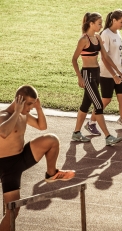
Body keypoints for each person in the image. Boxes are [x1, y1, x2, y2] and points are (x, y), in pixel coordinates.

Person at [0, 85, 75, 231]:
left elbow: (42, 126)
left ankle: (51, 174)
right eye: (28, 104)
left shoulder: (24, 114)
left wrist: (39, 109)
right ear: (18, 100)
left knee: (52, 140)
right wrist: (16, 111)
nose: (30, 109)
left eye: (32, 105)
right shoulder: (4, 116)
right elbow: (3, 132)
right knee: (12, 212)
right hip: (6, 166)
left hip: (21, 158)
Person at [84, 9, 122, 138]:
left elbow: (116, 54)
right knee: (106, 100)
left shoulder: (118, 33)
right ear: (114, 20)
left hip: (120, 72)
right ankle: (91, 123)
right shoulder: (105, 34)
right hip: (106, 74)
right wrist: (114, 74)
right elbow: (105, 58)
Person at [72, 12, 122, 146]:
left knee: (85, 105)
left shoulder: (97, 38)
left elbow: (105, 56)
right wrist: (80, 77)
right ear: (91, 24)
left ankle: (76, 133)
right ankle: (108, 136)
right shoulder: (83, 40)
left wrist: (117, 71)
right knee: (98, 105)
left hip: (97, 73)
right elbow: (74, 59)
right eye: (99, 23)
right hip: (88, 75)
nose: (101, 26)